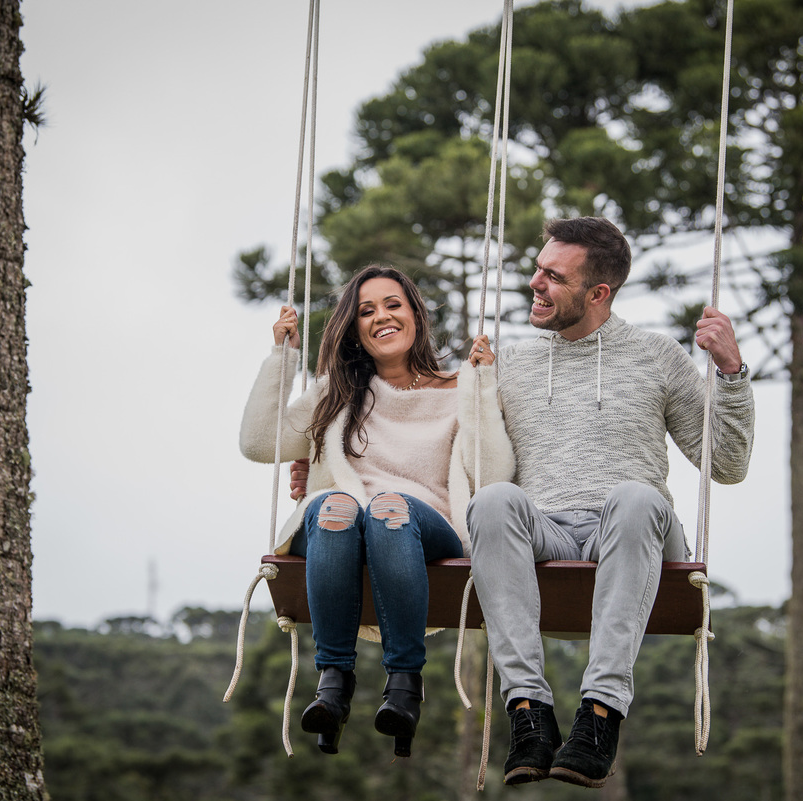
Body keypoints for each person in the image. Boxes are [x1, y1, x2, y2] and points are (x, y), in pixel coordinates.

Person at [467, 217, 755, 788]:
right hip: (544, 533)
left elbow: (727, 464)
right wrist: (318, 458)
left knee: (635, 497)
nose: (535, 284)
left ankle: (600, 715)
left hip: (634, 533)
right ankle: (528, 712)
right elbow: (445, 441)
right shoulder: (513, 364)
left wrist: (731, 372)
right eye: (537, 269)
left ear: (598, 293)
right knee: (494, 499)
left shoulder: (657, 356)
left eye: (553, 276)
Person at [239, 264, 513, 758]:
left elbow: (494, 473)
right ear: (353, 328)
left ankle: (405, 684)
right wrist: (282, 356)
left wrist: (485, 386)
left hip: (426, 528)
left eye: (393, 305)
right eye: (366, 311)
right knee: (340, 506)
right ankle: (333, 683)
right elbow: (260, 443)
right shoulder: (338, 391)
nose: (381, 317)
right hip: (339, 526)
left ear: (415, 315)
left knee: (390, 507)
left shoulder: (460, 386)